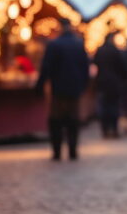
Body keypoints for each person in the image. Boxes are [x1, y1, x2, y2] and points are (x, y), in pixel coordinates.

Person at [36, 19, 89, 160]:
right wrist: (83, 85)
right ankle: (72, 150)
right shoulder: (78, 44)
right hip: (74, 89)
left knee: (56, 121)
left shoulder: (54, 45)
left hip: (58, 89)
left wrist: (40, 85)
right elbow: (85, 67)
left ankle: (57, 151)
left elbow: (46, 67)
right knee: (73, 120)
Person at [93, 33, 127, 139]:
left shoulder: (100, 51)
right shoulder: (115, 51)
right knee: (114, 106)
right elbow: (123, 68)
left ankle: (105, 129)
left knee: (103, 106)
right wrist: (124, 80)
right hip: (114, 83)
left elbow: (95, 63)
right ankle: (114, 129)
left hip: (102, 82)